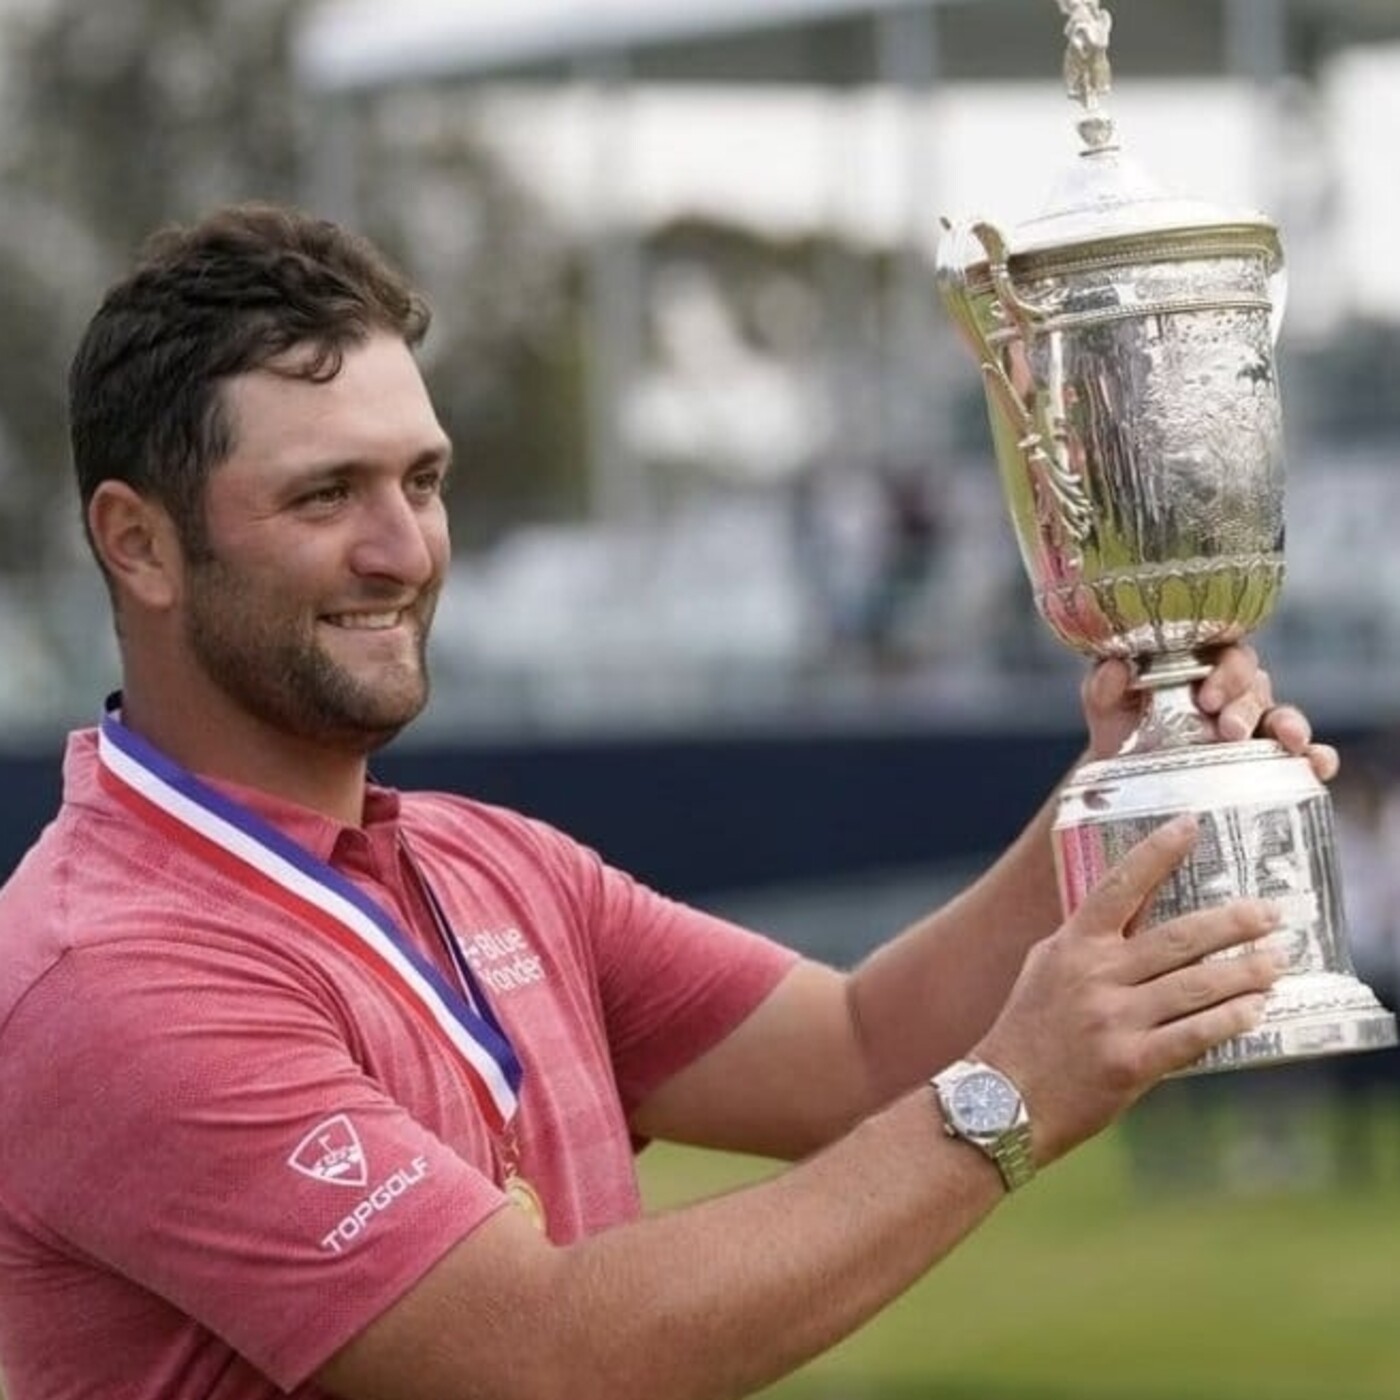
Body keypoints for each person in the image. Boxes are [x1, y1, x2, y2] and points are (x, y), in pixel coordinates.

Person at [0, 203, 1333, 1400]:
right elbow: (538, 1360)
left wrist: (1125, 785)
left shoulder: (489, 863)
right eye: (324, 495)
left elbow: (860, 1050)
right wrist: (1012, 1096)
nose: (403, 550)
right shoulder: (111, 973)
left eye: (423, 481)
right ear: (139, 543)